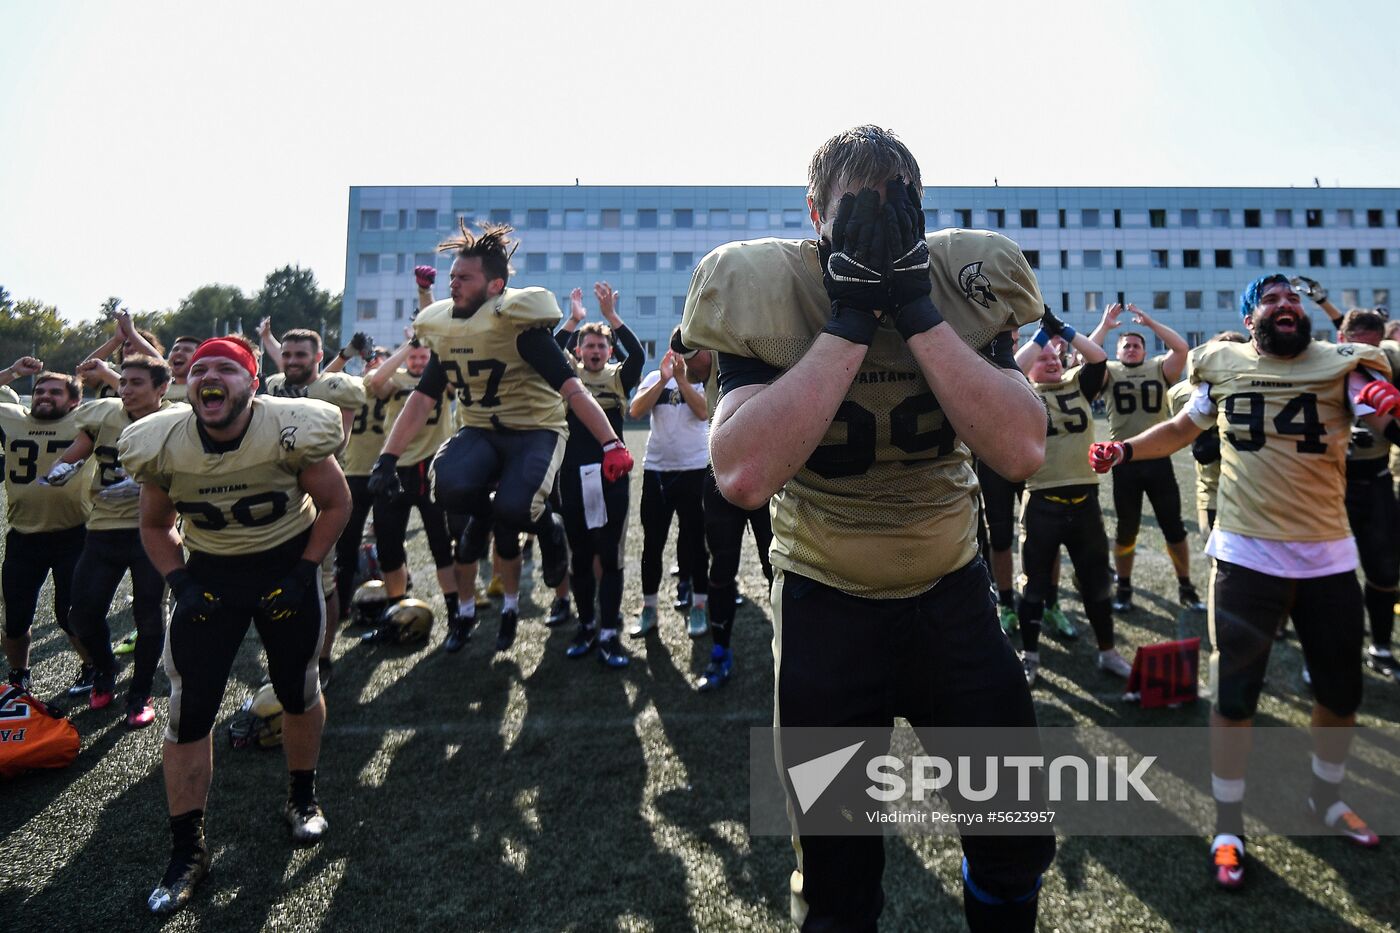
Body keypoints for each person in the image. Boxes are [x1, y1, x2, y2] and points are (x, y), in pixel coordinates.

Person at [682, 126, 1053, 931]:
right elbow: (742, 473)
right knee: (838, 876)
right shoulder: (764, 282)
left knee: (1016, 831)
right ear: (814, 212)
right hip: (828, 601)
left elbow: (1021, 447)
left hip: (952, 589)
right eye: (855, 211)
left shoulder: (962, 277)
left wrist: (917, 309)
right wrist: (849, 320)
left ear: (921, 212)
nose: (876, 228)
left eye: (894, 208)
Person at [1089, 273, 1400, 889]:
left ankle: (1326, 798)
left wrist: (1387, 403)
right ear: (1250, 316)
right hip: (1244, 558)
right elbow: (1183, 429)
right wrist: (1125, 452)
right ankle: (1228, 823)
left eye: (1293, 298)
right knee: (1235, 698)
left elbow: (1375, 400)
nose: (1286, 304)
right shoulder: (1222, 364)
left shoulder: (1344, 364)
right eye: (1271, 299)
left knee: (1340, 695)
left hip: (1327, 558)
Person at [120, 335, 350, 915]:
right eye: (199, 370)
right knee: (188, 711)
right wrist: (179, 581)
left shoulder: (289, 427)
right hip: (211, 575)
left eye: (226, 368)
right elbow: (154, 525)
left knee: (299, 690)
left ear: (253, 381)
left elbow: (336, 503)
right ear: (186, 385)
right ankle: (188, 850)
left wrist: (304, 571)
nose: (209, 377)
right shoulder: (162, 441)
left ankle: (302, 797)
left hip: (284, 565)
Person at [370, 221, 634, 656]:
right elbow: (421, 399)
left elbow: (573, 389)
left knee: (517, 507)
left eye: (464, 277)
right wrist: (387, 457)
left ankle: (547, 528)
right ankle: (485, 518)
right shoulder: (446, 329)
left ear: (494, 285)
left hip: (535, 430)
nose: (453, 283)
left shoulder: (519, 327)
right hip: (481, 429)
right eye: (452, 276)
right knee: (447, 485)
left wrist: (612, 443)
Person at [43, 356, 175, 728]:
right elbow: (73, 455)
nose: (127, 390)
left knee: (149, 615)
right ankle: (105, 668)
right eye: (124, 383)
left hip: (154, 525)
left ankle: (140, 694)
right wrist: (58, 471)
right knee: (81, 613)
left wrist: (148, 484)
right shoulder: (103, 415)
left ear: (161, 388)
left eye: (136, 383)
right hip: (103, 527)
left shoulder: (176, 417)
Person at [1012, 310, 1126, 685]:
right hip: (1042, 500)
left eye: (1055, 358)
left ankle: (1108, 651)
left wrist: (1065, 332)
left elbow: (1097, 357)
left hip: (1085, 500)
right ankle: (1030, 655)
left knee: (1095, 581)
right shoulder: (1022, 390)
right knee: (1035, 584)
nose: (1049, 362)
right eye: (1042, 359)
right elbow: (1013, 367)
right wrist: (1043, 338)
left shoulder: (1079, 384)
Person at [265, 328, 367, 685]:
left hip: (320, 492)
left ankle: (323, 657)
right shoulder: (274, 385)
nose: (292, 361)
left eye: (301, 355)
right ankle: (286, 653)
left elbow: (336, 442)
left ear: (318, 357)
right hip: (278, 492)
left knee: (322, 579)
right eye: (287, 354)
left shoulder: (338, 389)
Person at [1087, 302, 1203, 612]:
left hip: (1159, 457)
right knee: (1127, 528)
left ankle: (1186, 585)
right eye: (1127, 345)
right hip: (1122, 461)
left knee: (1173, 526)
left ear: (1145, 349)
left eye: (1137, 345)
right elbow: (1089, 355)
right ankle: (1124, 587)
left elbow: (1181, 349)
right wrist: (1104, 325)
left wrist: (1151, 323)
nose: (1132, 349)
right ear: (1119, 350)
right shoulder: (1109, 370)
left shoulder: (1158, 367)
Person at [555, 283, 645, 666]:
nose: (594, 352)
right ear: (578, 351)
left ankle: (609, 630)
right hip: (572, 474)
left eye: (601, 346)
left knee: (609, 555)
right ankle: (587, 624)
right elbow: (544, 349)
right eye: (588, 346)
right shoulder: (566, 376)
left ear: (609, 352)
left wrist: (611, 317)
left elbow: (638, 356)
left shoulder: (617, 378)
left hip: (611, 478)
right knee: (579, 555)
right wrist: (573, 319)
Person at [1, 364, 95, 696]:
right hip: (23, 535)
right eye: (40, 390)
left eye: (55, 391)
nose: (44, 396)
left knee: (71, 614)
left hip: (73, 535)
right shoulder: (13, 417)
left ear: (74, 401)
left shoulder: (87, 421)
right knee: (16, 616)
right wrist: (12, 372)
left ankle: (91, 666)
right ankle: (19, 673)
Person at [366, 335, 461, 638]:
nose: (419, 362)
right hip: (394, 469)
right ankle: (396, 611)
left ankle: (456, 612)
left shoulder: (441, 378)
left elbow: (452, 373)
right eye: (414, 357)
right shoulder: (396, 380)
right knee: (389, 546)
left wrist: (434, 344)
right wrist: (407, 346)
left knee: (441, 546)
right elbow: (375, 382)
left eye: (423, 357)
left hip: (432, 467)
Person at [629, 333, 711, 640]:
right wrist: (664, 380)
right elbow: (635, 411)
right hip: (657, 470)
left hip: (694, 469)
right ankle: (649, 608)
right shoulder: (654, 377)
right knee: (652, 543)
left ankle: (699, 606)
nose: (682, 357)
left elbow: (704, 412)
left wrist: (683, 380)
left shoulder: (703, 379)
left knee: (695, 541)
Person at [1334, 309, 1400, 679]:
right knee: (1325, 574)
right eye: (1362, 346)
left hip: (1375, 479)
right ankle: (1327, 649)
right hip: (1331, 484)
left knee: (1385, 569)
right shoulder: (1323, 364)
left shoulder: (1390, 360)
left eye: (1375, 347)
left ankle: (1380, 646)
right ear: (1343, 341)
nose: (1370, 355)